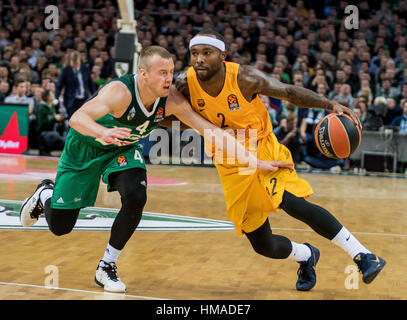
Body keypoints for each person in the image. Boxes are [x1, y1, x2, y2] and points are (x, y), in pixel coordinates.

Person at [19, 46, 291, 293]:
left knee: (136, 195)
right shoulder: (119, 92)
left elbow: (211, 132)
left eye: (172, 72)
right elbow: (77, 118)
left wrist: (256, 162)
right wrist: (103, 131)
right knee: (60, 227)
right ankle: (45, 194)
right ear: (144, 74)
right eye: (162, 73)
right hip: (86, 148)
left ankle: (106, 266)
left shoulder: (170, 100)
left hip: (122, 148)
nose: (169, 78)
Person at [174, 30, 386, 291]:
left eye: (207, 53)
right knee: (263, 245)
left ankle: (363, 255)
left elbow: (287, 91)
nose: (199, 59)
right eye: (195, 53)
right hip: (230, 164)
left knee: (292, 201)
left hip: (262, 147)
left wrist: (329, 104)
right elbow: (173, 116)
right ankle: (306, 255)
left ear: (223, 56)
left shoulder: (244, 78)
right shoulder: (184, 83)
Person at [55, 51, 92, 119]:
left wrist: (94, 96)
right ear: (70, 61)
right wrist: (56, 97)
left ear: (79, 61)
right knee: (73, 121)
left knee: (84, 120)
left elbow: (90, 83)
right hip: (71, 100)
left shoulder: (85, 68)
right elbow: (59, 85)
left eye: (76, 63)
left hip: (84, 99)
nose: (75, 65)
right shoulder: (65, 70)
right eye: (73, 63)